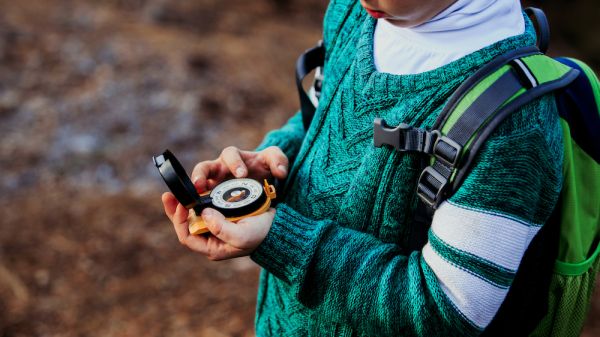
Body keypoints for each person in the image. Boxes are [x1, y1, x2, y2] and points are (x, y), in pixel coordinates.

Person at [162, 0, 563, 335]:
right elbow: (319, 119)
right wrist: (272, 162)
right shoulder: (358, 14)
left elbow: (447, 307)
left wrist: (280, 238)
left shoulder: (514, 125)